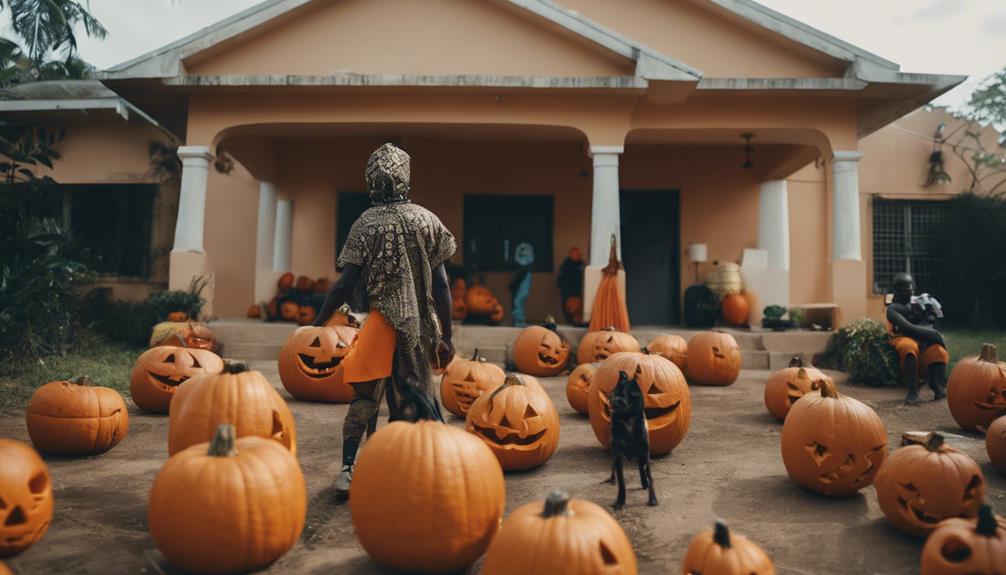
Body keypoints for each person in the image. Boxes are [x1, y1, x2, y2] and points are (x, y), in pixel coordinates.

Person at [313, 143, 456, 496]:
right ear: (406, 178)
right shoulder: (427, 219)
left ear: (371, 180)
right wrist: (447, 336)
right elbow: (441, 284)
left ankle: (348, 470)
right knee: (417, 400)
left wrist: (317, 323)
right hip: (420, 330)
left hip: (382, 326)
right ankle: (410, 469)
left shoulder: (366, 223)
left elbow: (345, 284)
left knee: (365, 397)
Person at [886, 272, 948, 404]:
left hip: (925, 336)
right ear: (895, 290)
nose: (904, 290)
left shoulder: (924, 303)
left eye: (907, 286)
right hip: (903, 336)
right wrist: (930, 334)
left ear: (913, 286)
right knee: (909, 347)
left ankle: (937, 386)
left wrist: (932, 334)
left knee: (937, 350)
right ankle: (912, 391)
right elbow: (907, 327)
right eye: (900, 287)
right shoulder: (893, 308)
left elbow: (933, 322)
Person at [557, 247, 585, 324]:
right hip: (567, 292)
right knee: (568, 308)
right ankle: (569, 321)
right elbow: (560, 278)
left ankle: (576, 321)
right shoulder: (566, 264)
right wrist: (562, 289)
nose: (578, 255)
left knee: (577, 308)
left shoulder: (581, 264)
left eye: (579, 254)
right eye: (576, 254)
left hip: (578, 291)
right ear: (571, 254)